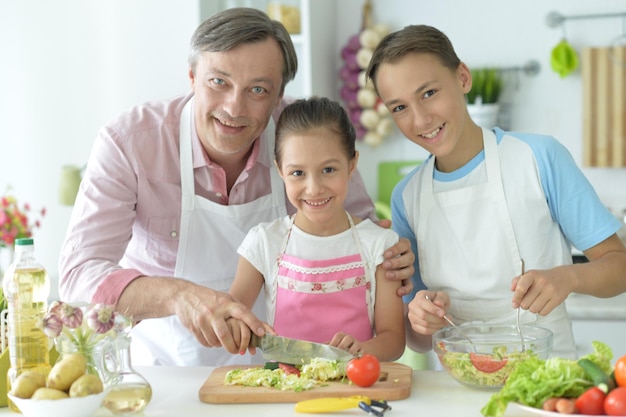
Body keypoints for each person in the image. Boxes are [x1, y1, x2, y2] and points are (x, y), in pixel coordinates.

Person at [58, 7, 415, 367]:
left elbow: (366, 243)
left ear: (279, 97)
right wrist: (177, 296)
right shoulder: (129, 144)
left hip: (287, 372)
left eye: (258, 89)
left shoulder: (308, 140)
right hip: (165, 371)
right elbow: (78, 275)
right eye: (218, 82)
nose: (233, 107)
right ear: (192, 76)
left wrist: (394, 258)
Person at [365, 24, 626, 359]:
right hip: (458, 385)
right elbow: (417, 339)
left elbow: (619, 269)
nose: (420, 119)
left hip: (546, 383)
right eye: (399, 107)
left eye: (429, 93)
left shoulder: (539, 158)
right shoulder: (406, 197)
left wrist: (568, 277)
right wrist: (420, 316)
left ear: (462, 78)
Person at [228, 97, 405, 361]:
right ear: (280, 170)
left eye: (328, 169)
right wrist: (244, 329)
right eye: (298, 173)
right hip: (284, 394)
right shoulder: (264, 242)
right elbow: (233, 316)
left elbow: (393, 341)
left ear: (352, 165)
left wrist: (359, 351)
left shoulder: (380, 245)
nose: (314, 188)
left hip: (355, 392)